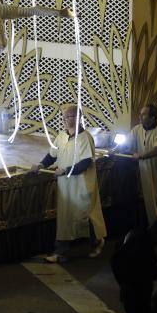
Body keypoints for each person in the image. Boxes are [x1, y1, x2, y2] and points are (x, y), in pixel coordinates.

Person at [34, 104, 106, 262]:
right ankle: (60, 253)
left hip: (81, 185)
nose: (65, 120)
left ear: (78, 118)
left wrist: (67, 170)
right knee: (65, 218)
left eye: (69, 117)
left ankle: (97, 242)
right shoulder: (61, 136)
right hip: (66, 186)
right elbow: (52, 155)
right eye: (64, 117)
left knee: (85, 215)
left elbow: (85, 162)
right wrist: (41, 165)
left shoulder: (85, 138)